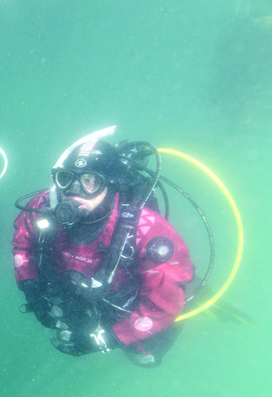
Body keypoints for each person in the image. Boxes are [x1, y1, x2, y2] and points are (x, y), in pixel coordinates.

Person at [12, 137, 194, 367]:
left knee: (145, 357)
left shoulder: (146, 229)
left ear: (111, 185)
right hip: (75, 290)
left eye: (90, 181)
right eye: (67, 179)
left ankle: (200, 298)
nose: (74, 191)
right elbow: (22, 247)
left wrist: (108, 339)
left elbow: (163, 302)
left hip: (123, 303)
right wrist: (32, 291)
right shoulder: (43, 207)